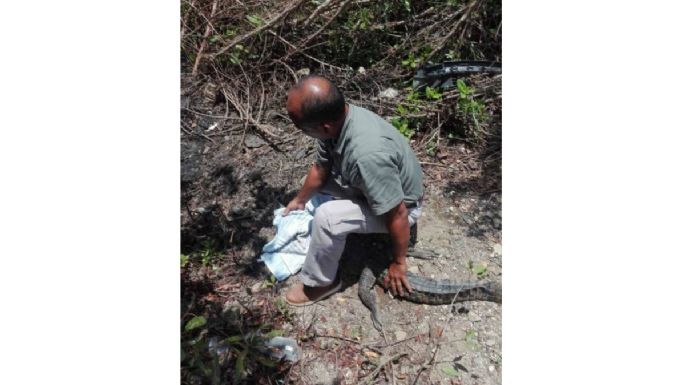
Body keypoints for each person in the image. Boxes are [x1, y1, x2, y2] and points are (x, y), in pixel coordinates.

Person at [283, 75, 424, 306]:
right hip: (372, 187)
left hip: (404, 209)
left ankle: (322, 283)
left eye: (299, 125)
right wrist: (299, 200)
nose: (299, 129)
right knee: (315, 193)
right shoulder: (339, 119)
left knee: (327, 218)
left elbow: (397, 213)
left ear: (323, 126)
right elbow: (320, 167)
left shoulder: (366, 154)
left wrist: (399, 263)